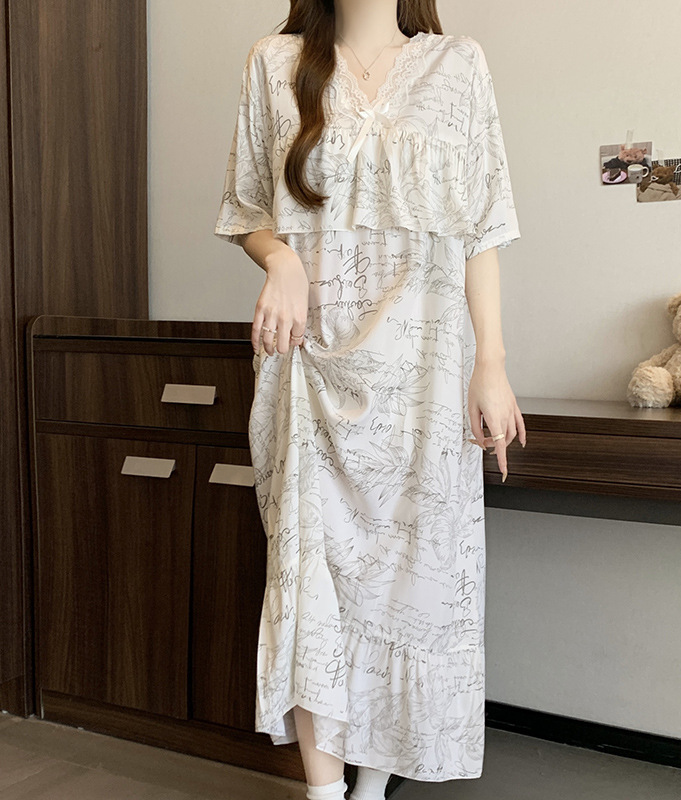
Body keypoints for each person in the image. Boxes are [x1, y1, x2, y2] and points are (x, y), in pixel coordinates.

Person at [214, 1, 526, 798]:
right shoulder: (274, 62)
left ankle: (372, 787)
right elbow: (248, 209)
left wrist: (490, 363)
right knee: (310, 578)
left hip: (426, 375)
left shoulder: (458, 64)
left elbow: (481, 229)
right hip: (309, 366)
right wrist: (281, 260)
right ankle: (324, 792)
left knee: (411, 581)